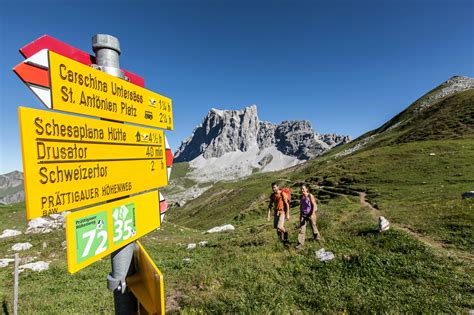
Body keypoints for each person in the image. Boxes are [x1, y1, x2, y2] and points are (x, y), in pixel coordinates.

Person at [295, 184, 321, 249]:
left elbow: (314, 205)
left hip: (310, 214)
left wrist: (312, 214)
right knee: (302, 229)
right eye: (301, 189)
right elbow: (301, 207)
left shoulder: (310, 196)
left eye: (303, 189)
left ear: (307, 189)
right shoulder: (301, 197)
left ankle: (317, 238)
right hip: (304, 215)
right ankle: (300, 243)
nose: (302, 190)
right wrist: (301, 215)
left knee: (313, 226)